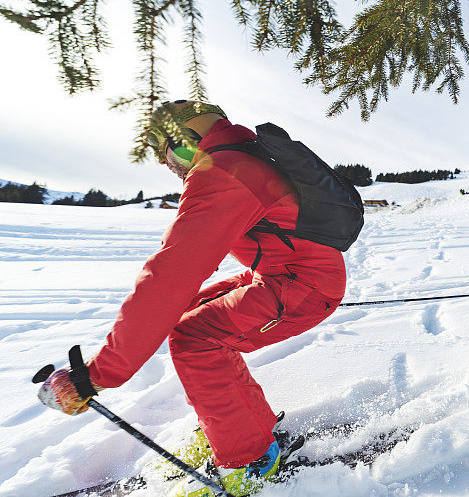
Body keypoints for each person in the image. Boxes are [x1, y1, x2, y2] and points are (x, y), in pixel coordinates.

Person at [36, 100, 347, 496]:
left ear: (189, 140)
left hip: (304, 285)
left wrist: (95, 375)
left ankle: (249, 459)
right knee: (189, 316)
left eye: (167, 151)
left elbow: (169, 277)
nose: (168, 166)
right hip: (291, 274)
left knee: (195, 339)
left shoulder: (223, 173)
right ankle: (246, 432)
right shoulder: (240, 158)